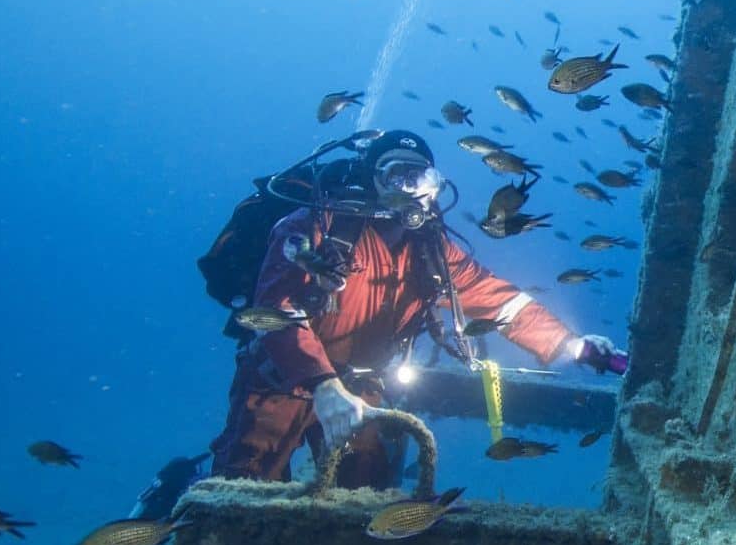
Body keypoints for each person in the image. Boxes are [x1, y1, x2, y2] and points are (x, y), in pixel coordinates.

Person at [208, 129, 614, 488]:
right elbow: (278, 311)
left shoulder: (433, 251)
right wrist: (323, 385)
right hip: (279, 382)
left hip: (363, 386)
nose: (410, 189)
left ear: (435, 186)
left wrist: (571, 345)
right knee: (245, 481)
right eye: (395, 175)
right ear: (373, 180)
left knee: (367, 489)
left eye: (421, 177)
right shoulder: (314, 227)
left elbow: (500, 301)